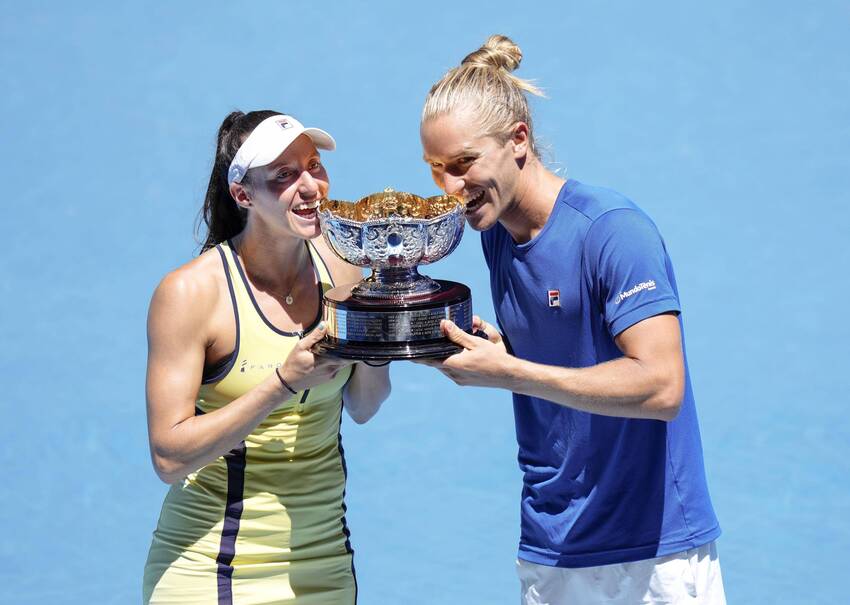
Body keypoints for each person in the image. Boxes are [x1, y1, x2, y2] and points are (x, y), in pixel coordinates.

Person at [419, 36, 726, 604]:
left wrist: (511, 373)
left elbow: (662, 386)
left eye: (463, 164)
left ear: (518, 139)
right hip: (550, 546)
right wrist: (502, 349)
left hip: (654, 554)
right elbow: (563, 347)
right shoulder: (497, 238)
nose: (450, 189)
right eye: (436, 169)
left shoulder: (612, 230)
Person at [142, 110, 391, 604]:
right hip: (211, 568)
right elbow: (169, 458)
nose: (310, 186)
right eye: (284, 175)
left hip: (323, 567)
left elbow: (363, 407)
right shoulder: (191, 294)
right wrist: (281, 383)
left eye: (314, 166)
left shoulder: (346, 271)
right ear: (243, 195)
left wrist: (378, 339)